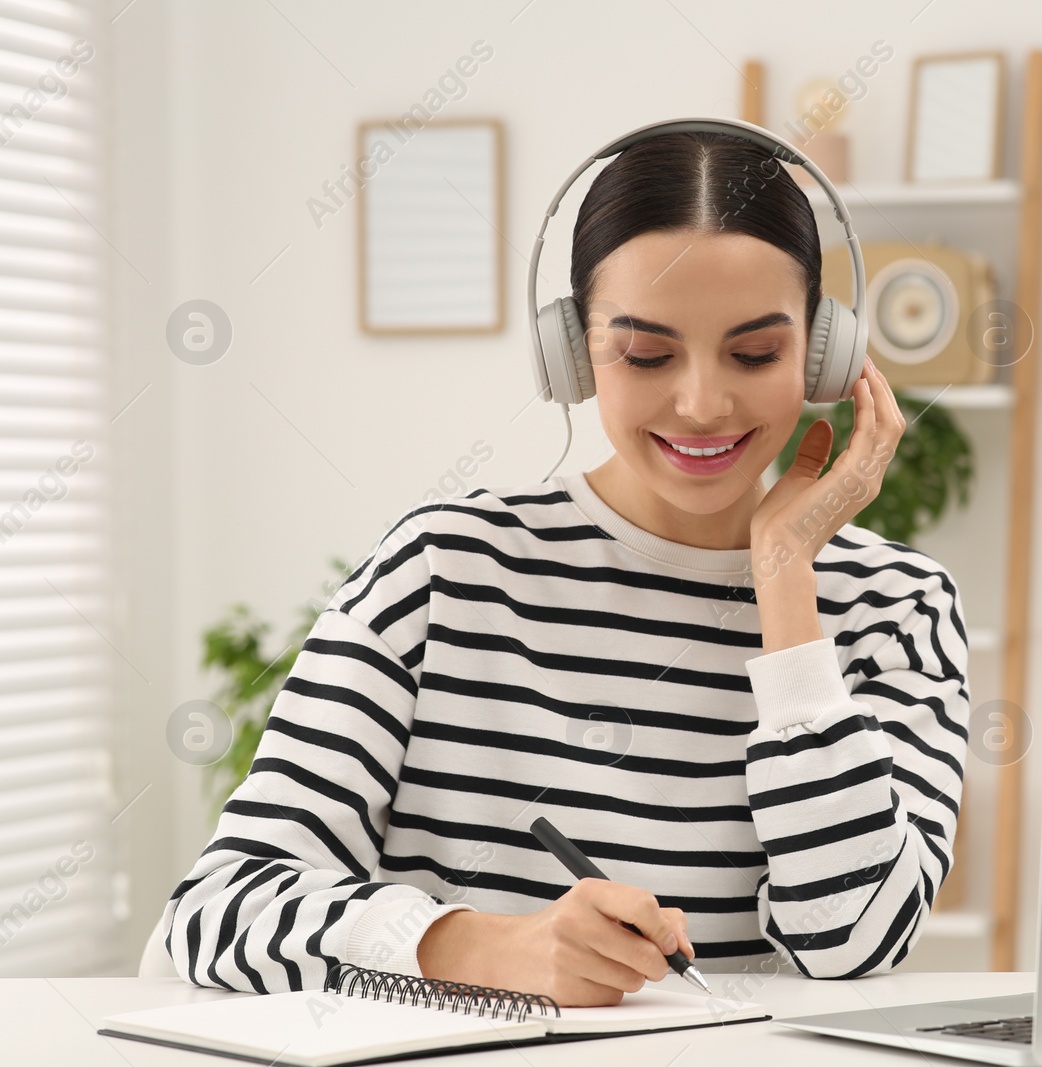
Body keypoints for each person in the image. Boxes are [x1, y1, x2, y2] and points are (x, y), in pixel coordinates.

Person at [160, 129, 971, 1006]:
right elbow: (216, 909)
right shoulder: (443, 569)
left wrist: (784, 581)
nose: (702, 403)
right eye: (648, 354)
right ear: (574, 355)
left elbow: (852, 944)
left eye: (755, 353)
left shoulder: (899, 606)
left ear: (825, 354)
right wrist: (478, 946)